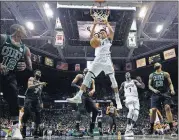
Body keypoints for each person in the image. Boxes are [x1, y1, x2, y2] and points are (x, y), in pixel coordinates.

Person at [67, 18, 122, 110]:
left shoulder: (108, 40)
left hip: (107, 60)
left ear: (106, 33)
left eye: (103, 32)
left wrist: (107, 23)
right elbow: (91, 35)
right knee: (88, 76)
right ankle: (78, 97)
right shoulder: (98, 41)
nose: (101, 33)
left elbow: (112, 32)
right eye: (100, 33)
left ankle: (118, 100)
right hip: (97, 60)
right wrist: (95, 24)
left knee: (113, 79)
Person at [0, 24, 32, 139]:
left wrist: (24, 66)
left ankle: (15, 129)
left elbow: (30, 68)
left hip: (9, 75)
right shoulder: (3, 38)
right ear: (18, 29)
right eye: (24, 28)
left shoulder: (25, 48)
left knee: (14, 98)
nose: (26, 31)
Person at [148, 62, 176, 136]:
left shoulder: (165, 73)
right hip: (155, 94)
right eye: (155, 64)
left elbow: (170, 83)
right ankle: (151, 127)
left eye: (157, 63)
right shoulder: (152, 75)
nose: (156, 64)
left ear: (160, 65)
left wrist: (172, 90)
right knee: (153, 110)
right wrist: (154, 90)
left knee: (167, 107)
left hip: (165, 93)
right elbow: (149, 85)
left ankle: (172, 128)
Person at [70, 68, 99, 137]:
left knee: (95, 110)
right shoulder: (79, 76)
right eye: (86, 73)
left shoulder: (91, 79)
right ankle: (77, 129)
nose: (87, 74)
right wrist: (79, 87)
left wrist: (92, 91)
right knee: (80, 110)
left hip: (87, 96)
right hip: (80, 94)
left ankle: (91, 129)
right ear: (83, 73)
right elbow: (72, 84)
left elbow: (94, 88)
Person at [21, 69, 47, 138]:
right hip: (29, 98)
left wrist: (41, 102)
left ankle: (36, 131)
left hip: (36, 100)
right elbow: (29, 87)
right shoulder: (31, 79)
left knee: (38, 115)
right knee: (27, 113)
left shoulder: (41, 84)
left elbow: (39, 94)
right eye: (38, 72)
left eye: (40, 73)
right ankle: (23, 129)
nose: (39, 73)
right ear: (35, 74)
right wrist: (39, 83)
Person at [119, 72, 145, 136]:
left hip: (136, 99)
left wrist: (141, 81)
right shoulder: (123, 83)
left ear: (130, 75)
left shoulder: (134, 81)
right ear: (125, 76)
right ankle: (127, 128)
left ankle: (129, 129)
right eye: (126, 74)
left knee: (136, 114)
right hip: (128, 98)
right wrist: (116, 90)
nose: (127, 74)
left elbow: (143, 87)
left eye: (128, 74)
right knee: (131, 109)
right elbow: (119, 92)